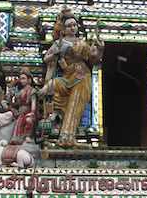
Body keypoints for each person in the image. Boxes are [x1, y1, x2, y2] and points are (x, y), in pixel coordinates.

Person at [37, 11, 103, 148]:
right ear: (64, 29)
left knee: (75, 106)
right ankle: (61, 134)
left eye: (74, 25)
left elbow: (93, 60)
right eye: (69, 26)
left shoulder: (83, 43)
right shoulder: (59, 43)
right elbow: (46, 58)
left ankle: (68, 137)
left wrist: (100, 49)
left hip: (82, 76)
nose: (72, 28)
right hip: (67, 75)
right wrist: (56, 53)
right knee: (54, 85)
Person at [8, 69, 37, 143]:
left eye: (24, 78)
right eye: (21, 79)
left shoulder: (32, 91)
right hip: (20, 113)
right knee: (18, 122)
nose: (22, 81)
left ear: (29, 79)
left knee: (28, 120)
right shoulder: (20, 92)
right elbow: (16, 103)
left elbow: (34, 103)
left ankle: (28, 136)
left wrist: (32, 112)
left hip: (29, 113)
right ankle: (18, 139)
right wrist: (11, 96)